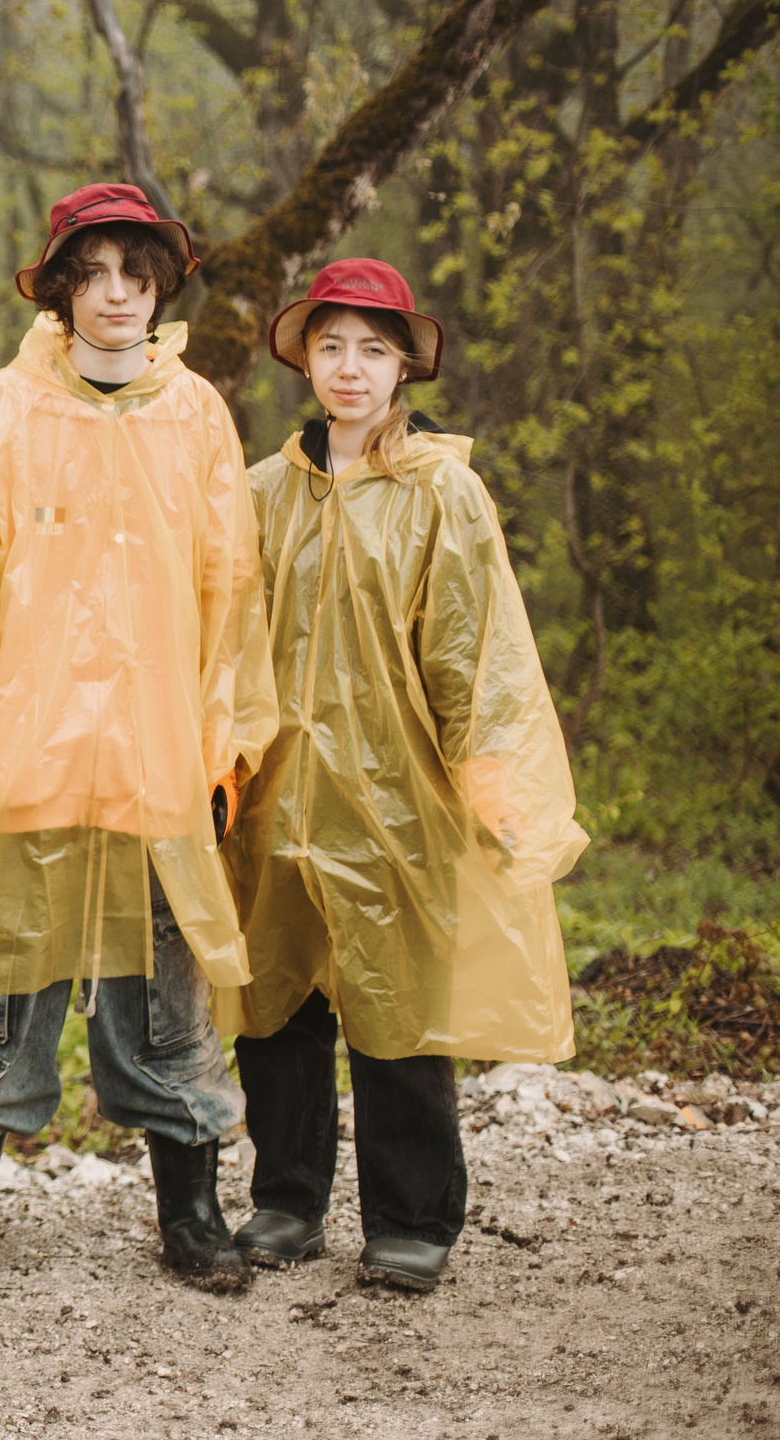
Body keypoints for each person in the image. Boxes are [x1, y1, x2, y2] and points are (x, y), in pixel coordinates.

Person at [0, 182, 278, 1296]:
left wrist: (224, 743)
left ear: (159, 287)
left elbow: (229, 587)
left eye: (131, 274)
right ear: (58, 287)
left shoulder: (194, 415)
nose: (112, 295)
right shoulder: (6, 410)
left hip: (155, 758)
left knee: (164, 985)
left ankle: (190, 1207)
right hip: (26, 752)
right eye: (88, 274)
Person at [225, 260, 582, 1292]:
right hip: (275, 796)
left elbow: (478, 653)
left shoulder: (442, 492)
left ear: (401, 368)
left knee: (399, 1005)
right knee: (276, 1006)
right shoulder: (260, 493)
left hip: (398, 796)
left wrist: (497, 787)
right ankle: (284, 1200)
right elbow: (224, 645)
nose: (349, 368)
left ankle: (412, 1217)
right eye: (331, 345)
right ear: (304, 359)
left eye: (371, 350)